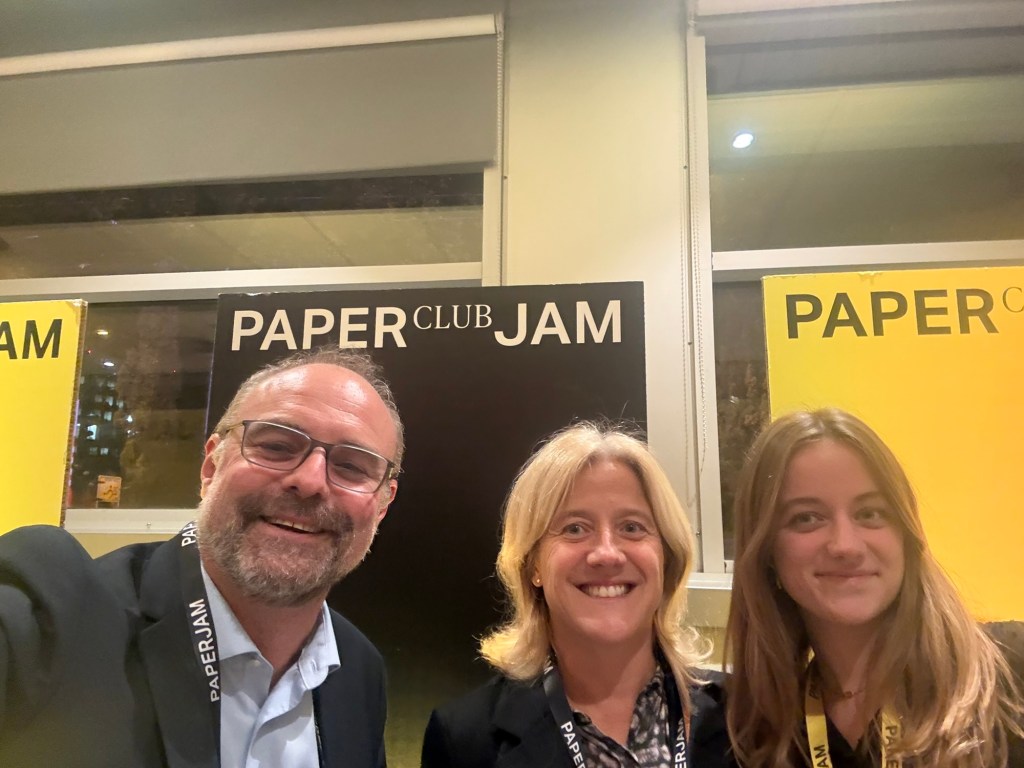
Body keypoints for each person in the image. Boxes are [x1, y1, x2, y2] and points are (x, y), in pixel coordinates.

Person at [0, 348, 402, 768]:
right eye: (277, 445)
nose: (310, 480)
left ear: (382, 506)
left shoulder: (359, 672)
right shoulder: (54, 612)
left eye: (353, 466)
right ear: (211, 466)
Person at [724, 407, 1024, 768]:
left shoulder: (1009, 671)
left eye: (870, 513)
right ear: (767, 552)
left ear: (906, 535)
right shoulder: (758, 735)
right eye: (807, 518)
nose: (846, 546)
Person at [421, 421, 731, 768]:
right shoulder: (464, 742)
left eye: (631, 527)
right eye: (575, 528)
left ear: (667, 558)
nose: (607, 553)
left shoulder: (745, 716)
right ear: (532, 564)